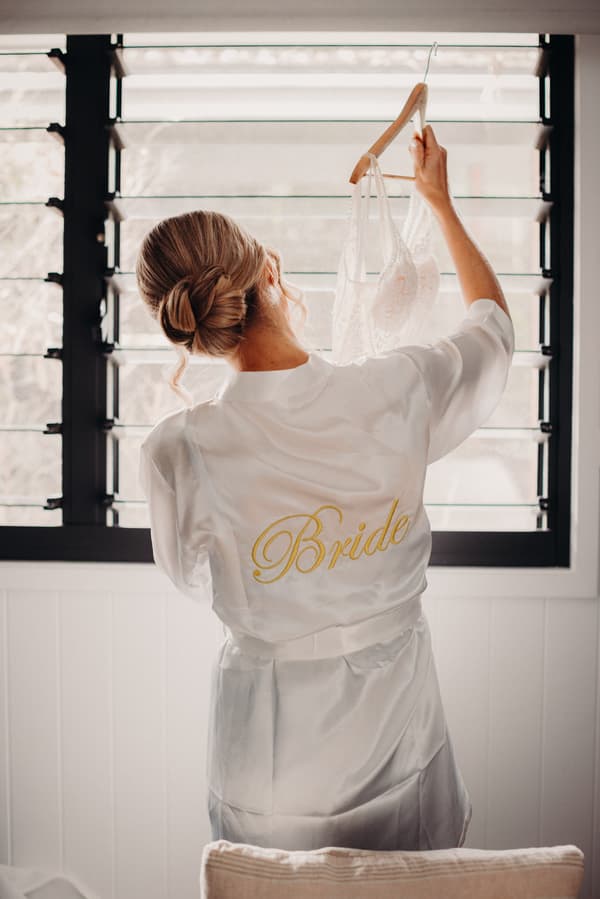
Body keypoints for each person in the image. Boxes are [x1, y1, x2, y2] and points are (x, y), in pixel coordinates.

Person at [136, 124, 514, 851]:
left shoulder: (178, 452)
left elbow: (189, 578)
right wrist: (438, 201)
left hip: (262, 767)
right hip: (398, 744)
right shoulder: (396, 387)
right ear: (269, 274)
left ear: (191, 329)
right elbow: (492, 328)